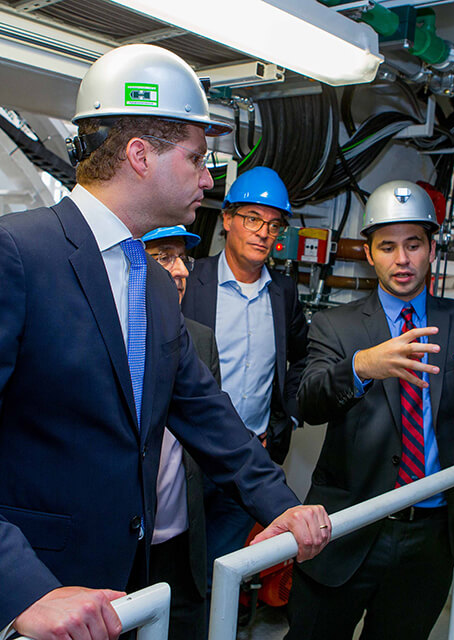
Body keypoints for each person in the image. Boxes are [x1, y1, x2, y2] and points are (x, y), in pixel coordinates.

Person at [0, 44, 331, 640]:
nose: (207, 177)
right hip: (29, 597)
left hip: (116, 590)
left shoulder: (147, 277)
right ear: (140, 156)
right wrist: (22, 591)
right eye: (197, 158)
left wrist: (279, 502)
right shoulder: (9, 255)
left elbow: (199, 406)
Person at [285, 180, 454, 640]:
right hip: (349, 527)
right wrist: (362, 365)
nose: (402, 259)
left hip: (429, 538)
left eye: (413, 244)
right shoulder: (337, 325)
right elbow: (307, 402)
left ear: (431, 249)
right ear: (369, 254)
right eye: (387, 247)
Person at [180, 166, 308, 588]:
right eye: (252, 219)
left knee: (223, 574)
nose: (263, 232)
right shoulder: (189, 281)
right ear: (228, 219)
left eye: (273, 224)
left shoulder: (283, 292)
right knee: (179, 570)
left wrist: (283, 418)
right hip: (189, 459)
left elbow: (302, 356)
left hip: (251, 459)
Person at [141, 225, 217, 640]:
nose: (181, 271)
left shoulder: (201, 340)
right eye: (163, 258)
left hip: (183, 541)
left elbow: (210, 432)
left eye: (182, 258)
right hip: (127, 542)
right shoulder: (107, 336)